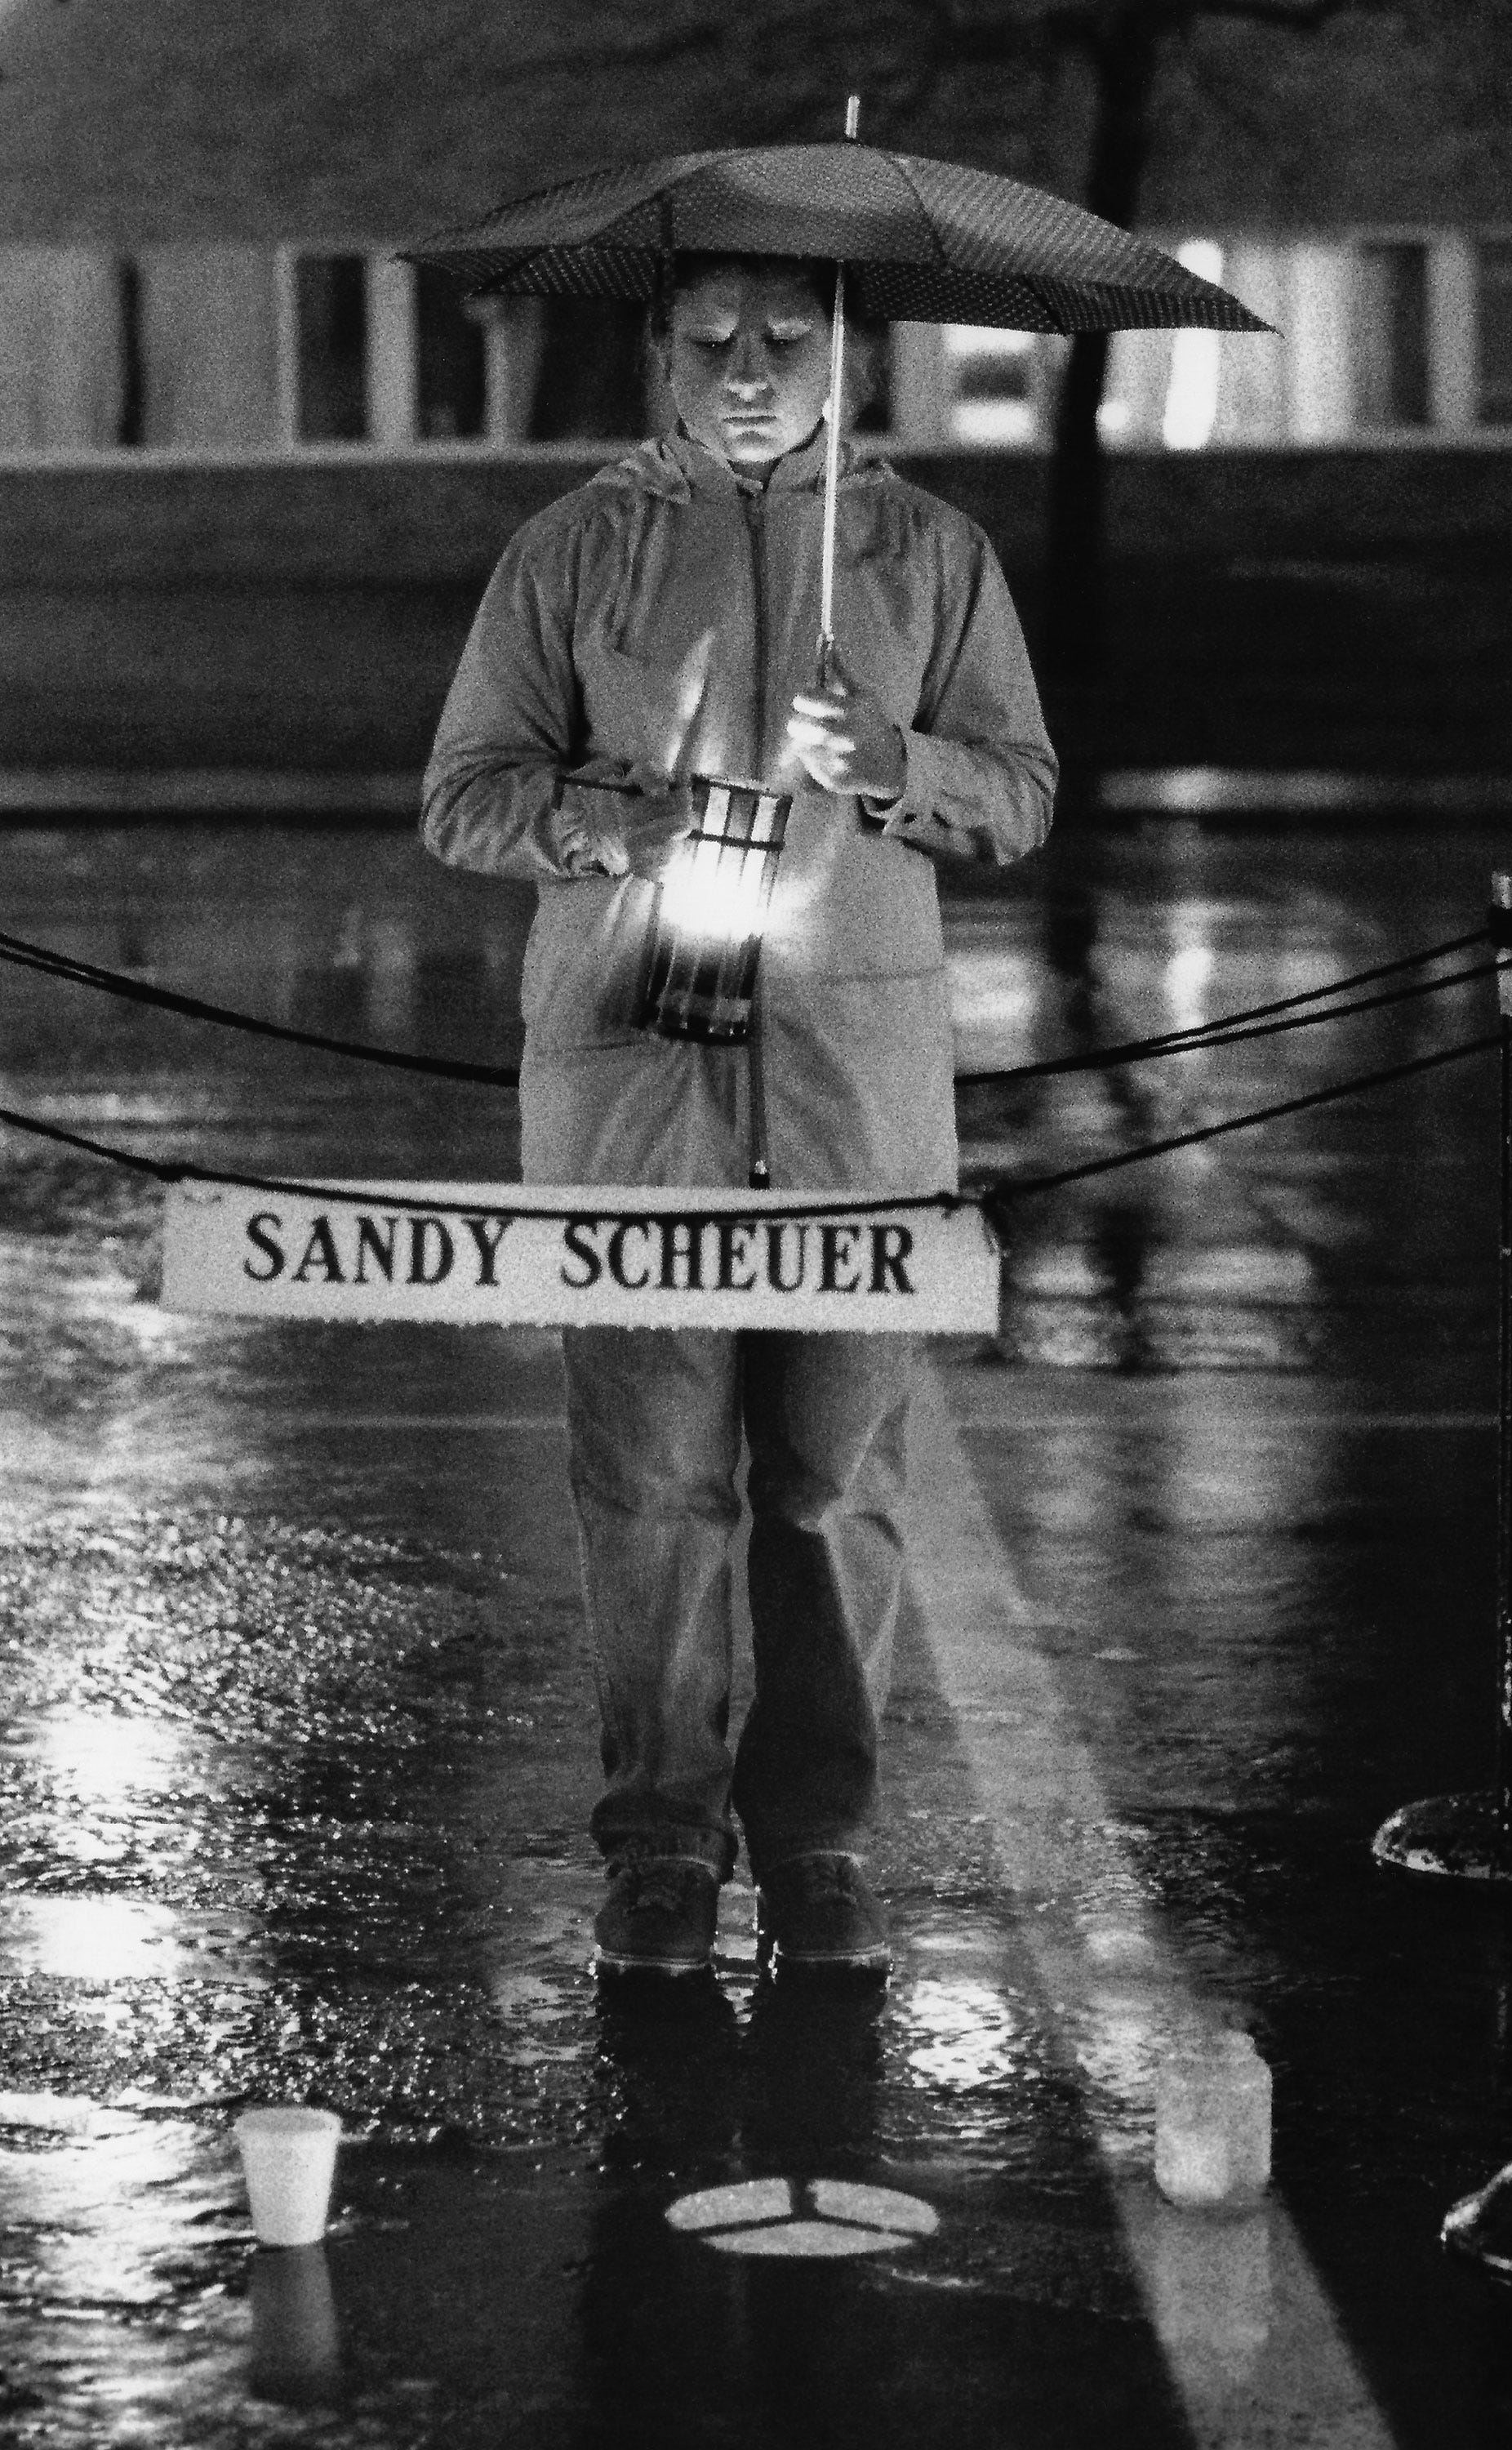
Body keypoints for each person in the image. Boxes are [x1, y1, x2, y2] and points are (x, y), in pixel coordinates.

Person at [420, 253, 1056, 1980]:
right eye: (710, 340)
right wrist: (593, 822)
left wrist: (898, 769)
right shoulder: (571, 552)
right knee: (649, 1488)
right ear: (656, 354)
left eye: (789, 336)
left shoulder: (927, 555)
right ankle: (658, 1849)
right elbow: (462, 795)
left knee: (830, 1485)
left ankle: (823, 1847)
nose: (750, 370)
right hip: (634, 1095)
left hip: (858, 1111)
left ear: (854, 350)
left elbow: (1020, 792)